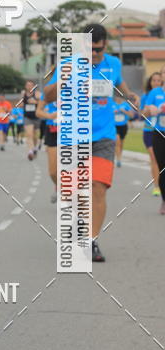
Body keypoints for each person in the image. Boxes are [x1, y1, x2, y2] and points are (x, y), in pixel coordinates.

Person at [45, 23, 139, 262]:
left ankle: (91, 240)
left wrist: (131, 97)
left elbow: (122, 89)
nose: (93, 54)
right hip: (72, 137)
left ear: (104, 45)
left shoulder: (113, 64)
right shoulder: (67, 63)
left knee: (97, 187)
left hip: (104, 136)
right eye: (89, 49)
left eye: (97, 49)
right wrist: (61, 81)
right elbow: (46, 96)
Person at [143, 64, 165, 214]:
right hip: (159, 134)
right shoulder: (155, 92)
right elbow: (144, 112)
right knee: (162, 168)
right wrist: (152, 110)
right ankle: (164, 200)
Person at [140, 71, 162, 196]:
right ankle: (156, 186)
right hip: (149, 131)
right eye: (153, 80)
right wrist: (149, 110)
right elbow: (142, 114)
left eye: (158, 80)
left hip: (161, 131)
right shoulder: (146, 96)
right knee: (153, 157)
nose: (156, 83)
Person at [36, 91, 57, 202]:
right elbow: (38, 112)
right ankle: (59, 187)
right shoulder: (49, 92)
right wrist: (49, 115)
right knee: (53, 172)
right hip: (52, 131)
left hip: (71, 131)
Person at [22, 79, 41, 160]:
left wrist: (35, 102)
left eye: (30, 85)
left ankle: (35, 148)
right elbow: (22, 103)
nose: (29, 87)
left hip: (36, 117)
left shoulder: (37, 94)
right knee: (29, 134)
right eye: (27, 85)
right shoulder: (23, 93)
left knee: (35, 136)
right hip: (27, 116)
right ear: (25, 86)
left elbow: (42, 103)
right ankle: (30, 151)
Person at [114, 98, 133, 167]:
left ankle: (119, 156)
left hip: (123, 126)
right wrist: (113, 112)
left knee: (121, 143)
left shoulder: (125, 105)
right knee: (117, 142)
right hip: (114, 126)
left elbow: (131, 115)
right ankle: (118, 159)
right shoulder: (112, 104)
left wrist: (124, 111)